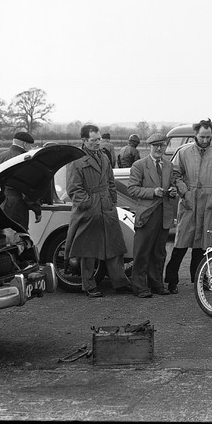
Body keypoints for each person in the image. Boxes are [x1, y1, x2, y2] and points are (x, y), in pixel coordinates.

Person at [64, 124, 133, 297]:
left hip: (107, 207)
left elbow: (111, 181)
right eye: (94, 140)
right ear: (84, 140)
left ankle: (120, 282)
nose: (97, 143)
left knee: (114, 247)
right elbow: (74, 190)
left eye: (99, 139)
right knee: (88, 250)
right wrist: (89, 205)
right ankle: (88, 286)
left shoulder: (104, 157)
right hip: (89, 210)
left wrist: (111, 200)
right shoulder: (75, 161)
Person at [164, 118, 212, 293]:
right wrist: (185, 192)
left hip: (209, 202)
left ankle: (199, 280)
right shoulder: (184, 152)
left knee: (202, 245)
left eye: (208, 137)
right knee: (180, 243)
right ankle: (171, 280)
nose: (205, 140)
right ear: (195, 134)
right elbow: (176, 174)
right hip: (189, 201)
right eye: (202, 136)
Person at [126, 133, 178, 297]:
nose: (158, 148)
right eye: (155, 145)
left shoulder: (169, 166)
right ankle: (139, 286)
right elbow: (132, 189)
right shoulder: (139, 165)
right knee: (142, 252)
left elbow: (172, 185)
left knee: (159, 252)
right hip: (147, 215)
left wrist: (173, 192)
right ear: (150, 147)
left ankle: (156, 284)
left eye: (161, 145)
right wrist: (152, 192)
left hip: (164, 215)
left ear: (165, 147)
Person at [0, 131, 42, 232]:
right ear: (25, 144)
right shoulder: (25, 160)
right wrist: (36, 209)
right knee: (18, 238)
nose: (30, 149)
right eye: (30, 146)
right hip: (16, 206)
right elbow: (27, 188)